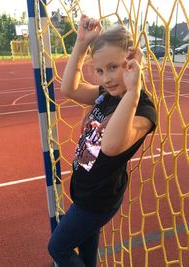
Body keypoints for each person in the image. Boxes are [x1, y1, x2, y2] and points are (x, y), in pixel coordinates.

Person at [48, 14, 157, 267]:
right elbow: (69, 89)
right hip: (86, 190)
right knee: (86, 254)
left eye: (113, 67)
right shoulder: (107, 92)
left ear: (131, 62)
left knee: (58, 248)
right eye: (100, 70)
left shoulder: (142, 108)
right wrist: (82, 42)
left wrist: (133, 89)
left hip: (97, 200)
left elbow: (110, 146)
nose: (106, 78)